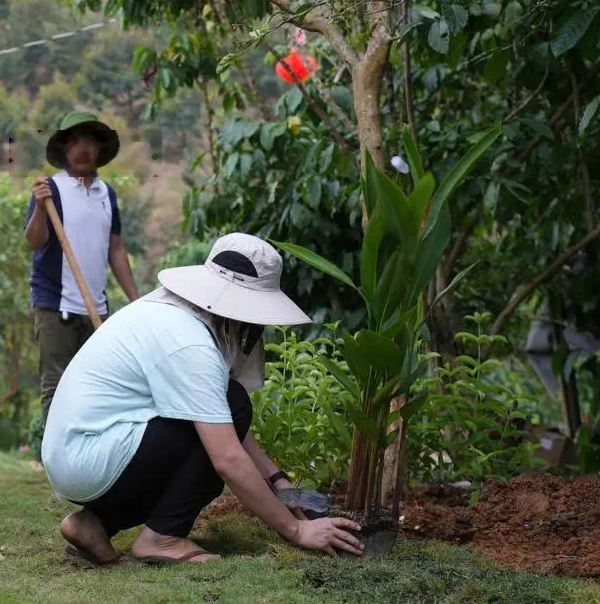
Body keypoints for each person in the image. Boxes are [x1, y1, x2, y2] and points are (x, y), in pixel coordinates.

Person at [41, 233, 364, 565]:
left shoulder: (171, 310)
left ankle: (92, 524)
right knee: (228, 421)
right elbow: (227, 457)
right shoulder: (190, 343)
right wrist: (296, 530)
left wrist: (277, 480)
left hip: (77, 453)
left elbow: (220, 419)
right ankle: (162, 538)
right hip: (91, 455)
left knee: (226, 413)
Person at [24, 111, 140, 423]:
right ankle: (54, 461)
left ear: (100, 150)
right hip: (54, 305)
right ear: (64, 150)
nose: (82, 149)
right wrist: (38, 207)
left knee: (96, 384)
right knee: (56, 384)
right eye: (75, 142)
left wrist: (136, 301)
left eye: (89, 141)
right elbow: (34, 242)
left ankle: (87, 455)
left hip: (96, 307)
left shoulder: (107, 194)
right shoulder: (51, 190)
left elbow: (115, 248)